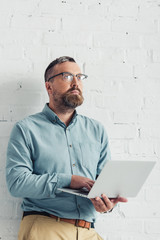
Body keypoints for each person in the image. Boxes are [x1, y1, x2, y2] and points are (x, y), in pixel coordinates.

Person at [6, 56, 127, 240]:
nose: (76, 82)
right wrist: (67, 180)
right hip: (45, 228)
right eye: (67, 76)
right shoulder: (26, 129)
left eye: (79, 76)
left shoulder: (97, 130)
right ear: (49, 87)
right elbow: (17, 184)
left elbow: (103, 183)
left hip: (89, 231)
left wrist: (107, 203)